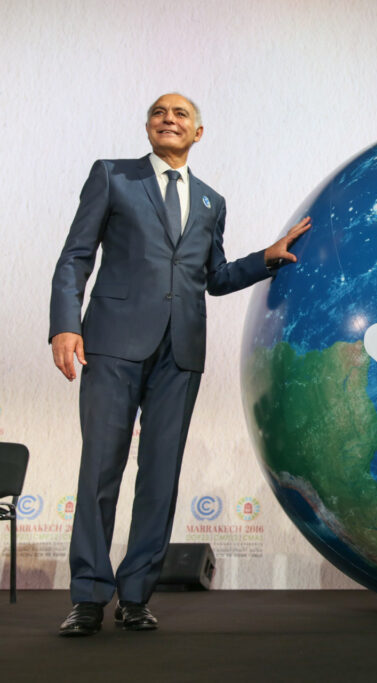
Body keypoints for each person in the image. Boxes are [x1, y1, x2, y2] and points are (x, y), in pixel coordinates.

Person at [49, 93, 311, 637]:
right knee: (99, 471)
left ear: (198, 133)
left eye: (180, 114)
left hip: (181, 353)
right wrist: (64, 324)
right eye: (158, 113)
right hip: (112, 343)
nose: (168, 119)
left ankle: (135, 597)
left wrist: (266, 257)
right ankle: (88, 597)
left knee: (161, 476)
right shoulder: (112, 176)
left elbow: (214, 278)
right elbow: (76, 255)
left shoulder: (212, 200)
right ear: (148, 126)